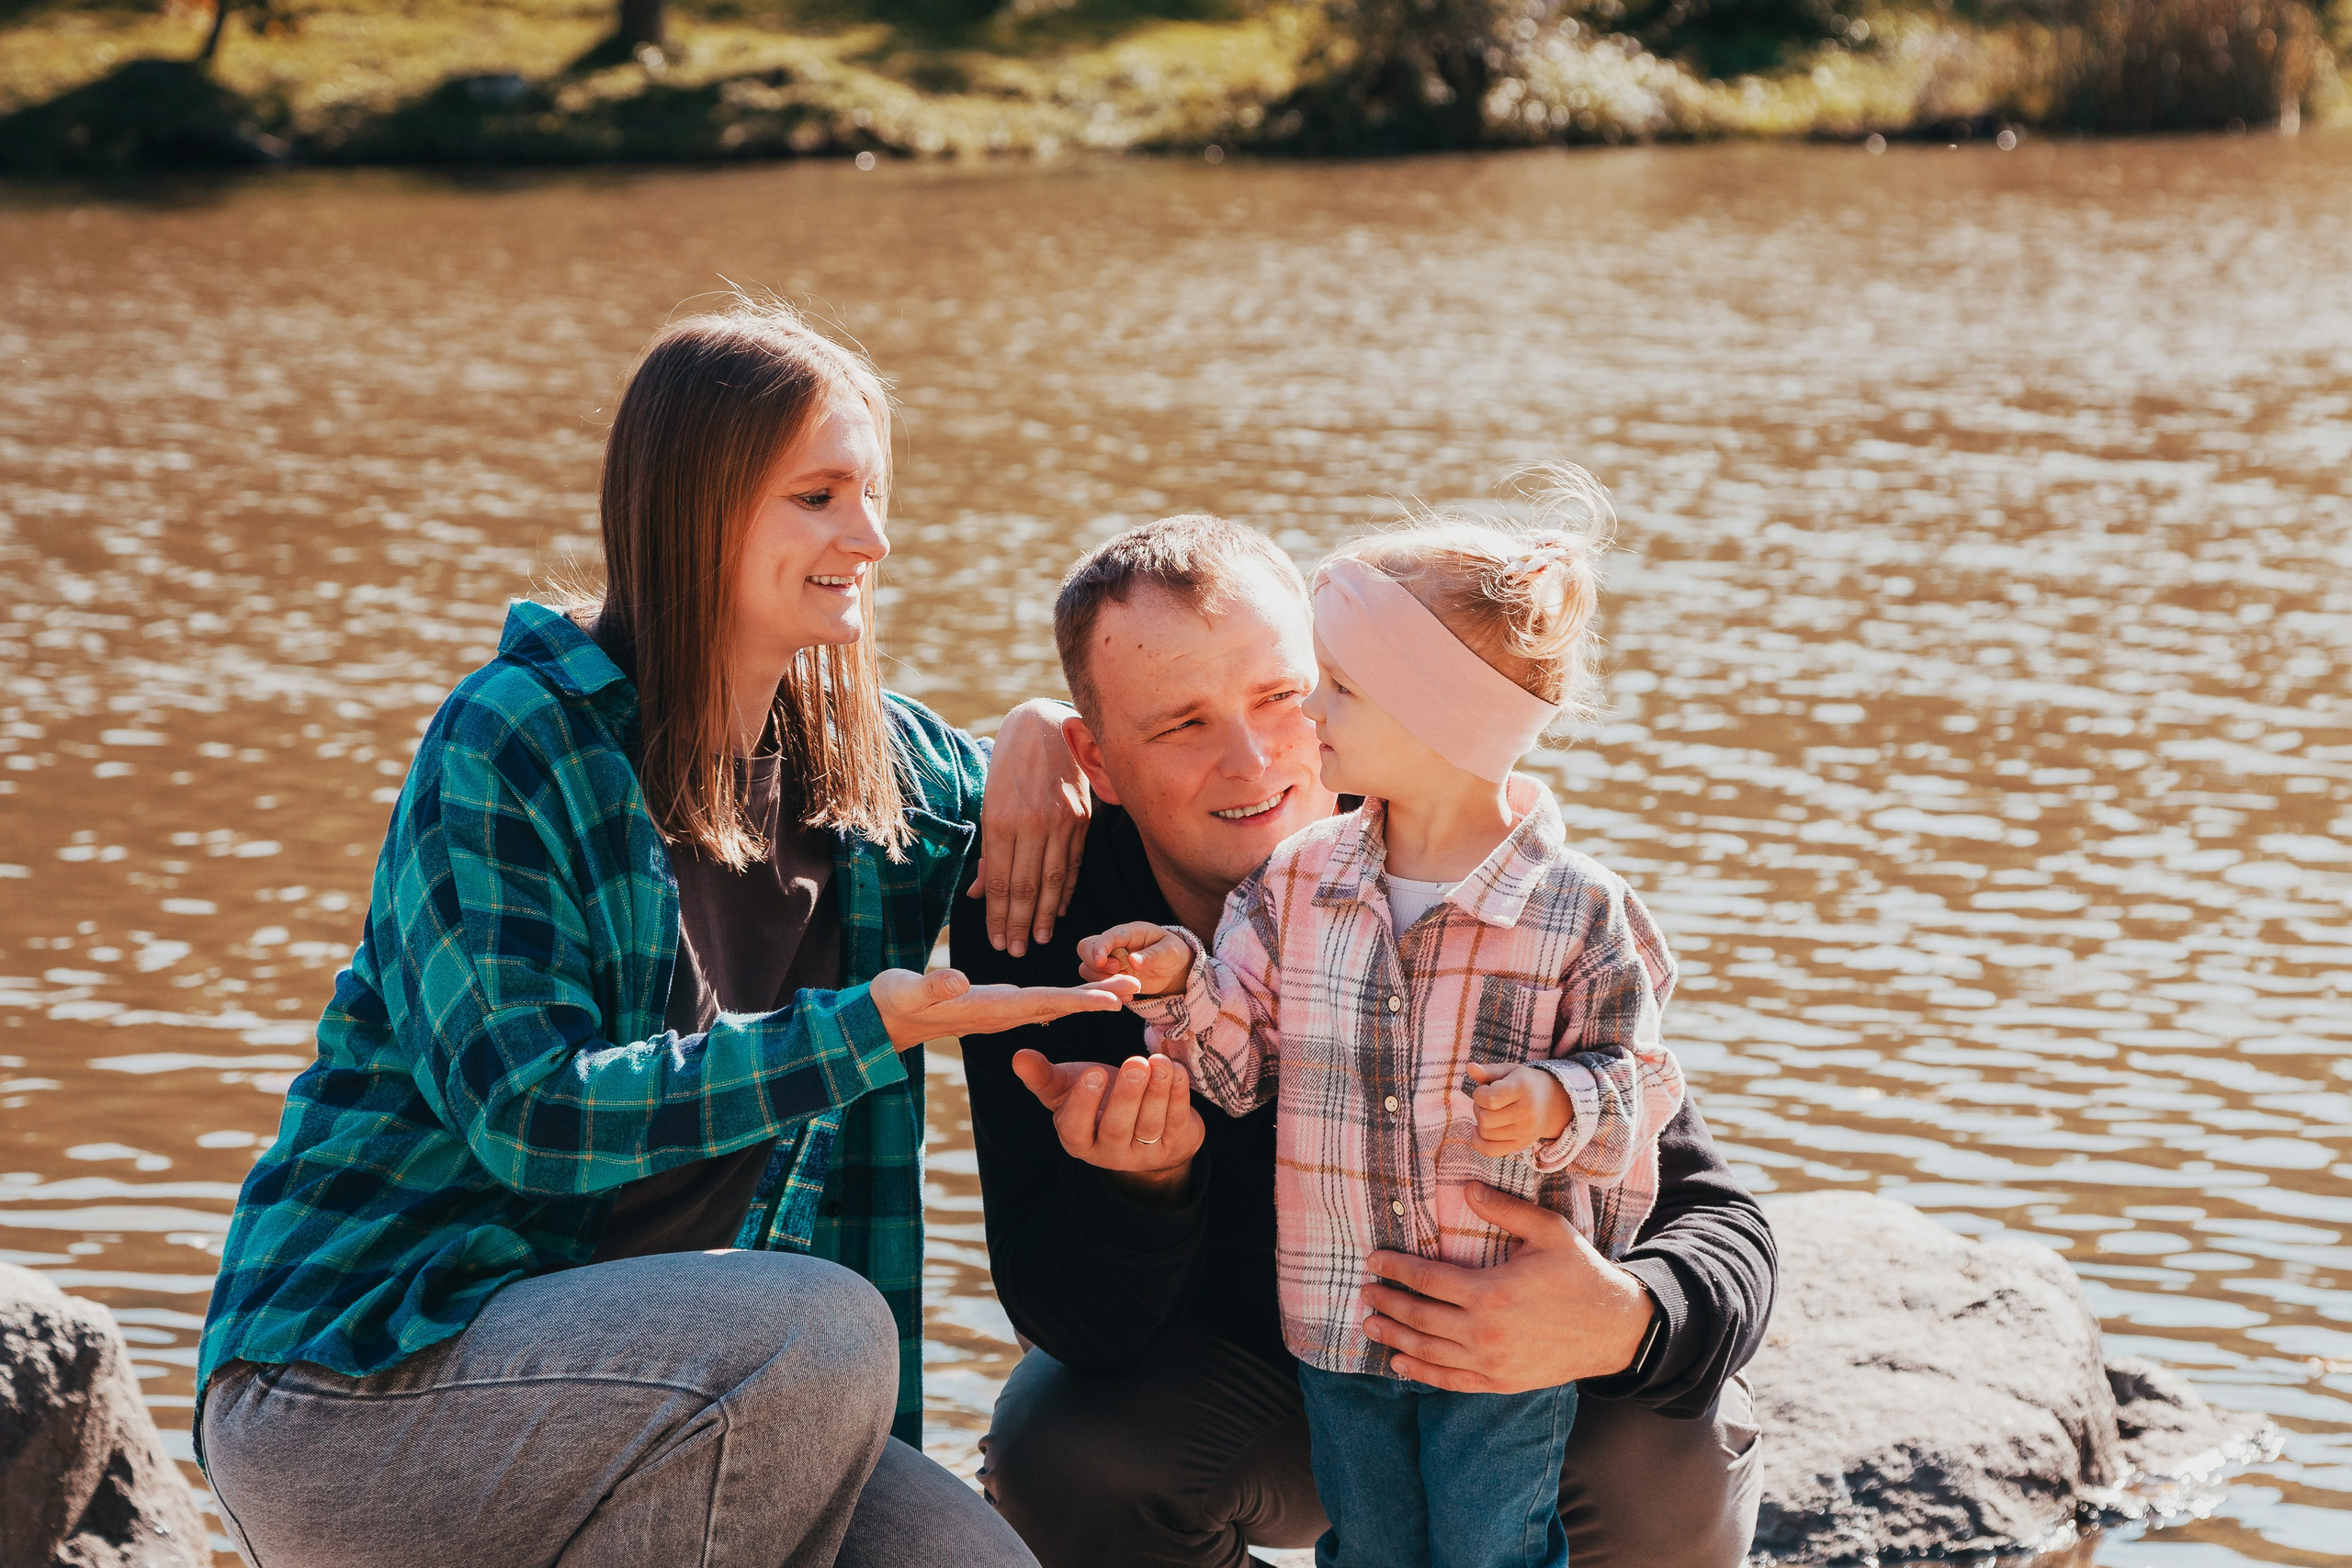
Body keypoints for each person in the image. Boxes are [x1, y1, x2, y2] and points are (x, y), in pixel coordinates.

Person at [192, 299, 1136, 1568]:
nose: (872, 534)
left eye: (871, 492)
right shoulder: (516, 736)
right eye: (820, 496)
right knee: (821, 1324)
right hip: (365, 1381)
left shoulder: (873, 763)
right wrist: (864, 1029)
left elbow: (1111, 834)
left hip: (674, 1392)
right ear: (697, 507)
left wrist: (1043, 725)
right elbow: (530, 1112)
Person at [954, 511, 1776, 1568]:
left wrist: (1618, 1320)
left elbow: (1718, 1222)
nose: (1254, 761)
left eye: (1288, 698)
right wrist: (1144, 1189)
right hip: (1285, 1380)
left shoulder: (1467, 863)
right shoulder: (1042, 908)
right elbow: (1071, 1324)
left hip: (1502, 1375)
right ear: (1096, 761)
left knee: (1674, 1432)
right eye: (1179, 726)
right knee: (1061, 1448)